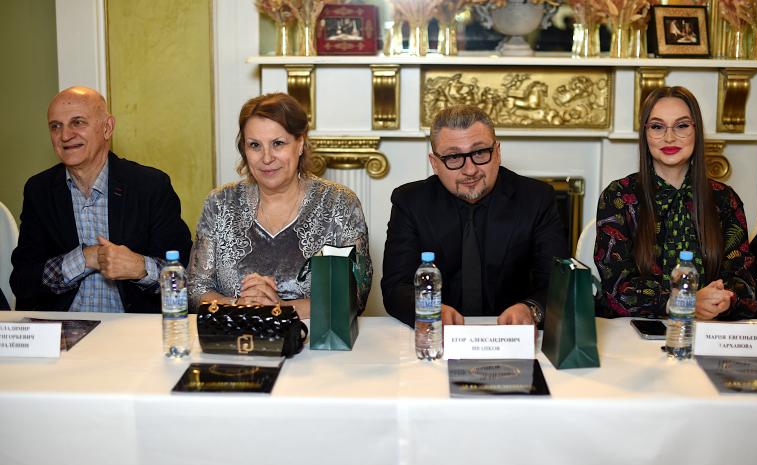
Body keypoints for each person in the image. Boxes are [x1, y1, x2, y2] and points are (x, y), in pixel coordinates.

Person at [188, 93, 372, 318]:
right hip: (237, 334)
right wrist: (240, 305)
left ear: (300, 144)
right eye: (255, 145)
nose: (266, 158)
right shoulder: (219, 203)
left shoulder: (339, 204)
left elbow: (353, 296)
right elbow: (196, 290)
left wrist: (280, 309)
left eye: (278, 143)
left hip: (311, 337)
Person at [381, 104, 567, 327]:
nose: (470, 170)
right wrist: (430, 309)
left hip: (511, 335)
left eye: (479, 153)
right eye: (453, 157)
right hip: (438, 334)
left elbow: (557, 283)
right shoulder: (410, 202)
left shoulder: (537, 199)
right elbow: (395, 287)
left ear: (497, 152)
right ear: (435, 164)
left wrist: (531, 310)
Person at [10, 86, 192, 313]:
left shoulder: (150, 186)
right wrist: (85, 259)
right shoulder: (39, 190)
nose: (65, 136)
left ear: (107, 128)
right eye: (56, 126)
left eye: (78, 122)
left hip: (131, 328)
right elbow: (23, 281)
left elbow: (185, 275)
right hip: (61, 327)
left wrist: (140, 267)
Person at [594, 86, 757, 320]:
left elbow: (744, 284)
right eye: (657, 126)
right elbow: (616, 289)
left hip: (709, 328)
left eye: (681, 126)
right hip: (631, 331)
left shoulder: (724, 198)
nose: (669, 137)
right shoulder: (618, 196)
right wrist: (683, 301)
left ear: (696, 131)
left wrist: (721, 301)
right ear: (645, 133)